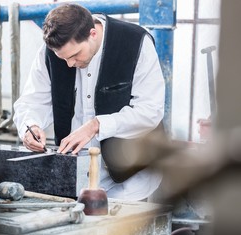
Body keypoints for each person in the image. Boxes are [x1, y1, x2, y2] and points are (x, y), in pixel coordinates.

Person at [13, 3, 165, 201]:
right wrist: (30, 127)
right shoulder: (50, 52)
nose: (69, 64)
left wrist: (96, 125)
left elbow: (150, 111)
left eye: (75, 55)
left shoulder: (136, 42)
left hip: (131, 178)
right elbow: (32, 100)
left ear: (92, 33)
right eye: (63, 58)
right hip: (76, 178)